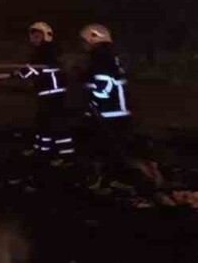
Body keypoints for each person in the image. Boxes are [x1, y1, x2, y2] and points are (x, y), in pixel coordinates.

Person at [77, 23, 131, 186]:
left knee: (102, 147)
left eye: (84, 41)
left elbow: (103, 85)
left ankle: (103, 180)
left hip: (107, 111)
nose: (82, 45)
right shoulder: (110, 56)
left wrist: (90, 96)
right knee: (113, 147)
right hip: (118, 110)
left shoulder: (99, 57)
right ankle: (112, 178)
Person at [13, 21, 74, 160]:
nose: (34, 37)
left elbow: (35, 68)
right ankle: (44, 151)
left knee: (55, 123)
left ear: (46, 36)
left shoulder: (45, 50)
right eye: (33, 35)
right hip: (49, 92)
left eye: (37, 35)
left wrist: (19, 74)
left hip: (52, 93)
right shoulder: (46, 50)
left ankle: (65, 155)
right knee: (45, 122)